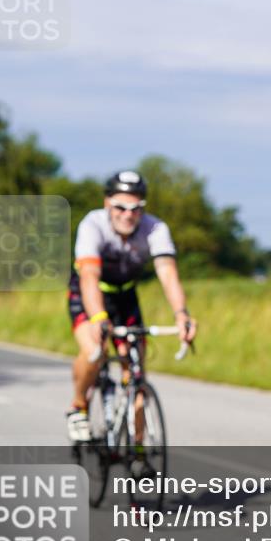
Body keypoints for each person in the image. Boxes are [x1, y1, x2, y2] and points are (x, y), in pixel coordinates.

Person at [65, 170, 197, 477]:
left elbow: (167, 273)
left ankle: (138, 452)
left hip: (126, 298)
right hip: (90, 295)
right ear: (107, 204)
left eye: (136, 208)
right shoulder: (92, 224)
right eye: (121, 207)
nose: (128, 215)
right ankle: (78, 407)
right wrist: (98, 318)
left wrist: (182, 315)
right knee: (95, 350)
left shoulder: (154, 229)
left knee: (135, 373)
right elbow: (89, 278)